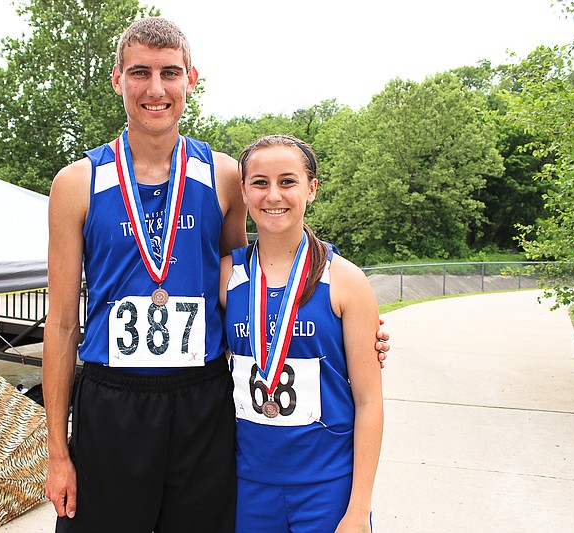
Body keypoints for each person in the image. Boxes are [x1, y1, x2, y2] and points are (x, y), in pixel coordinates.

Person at [43, 17, 388, 533]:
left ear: (191, 79)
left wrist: (356, 332)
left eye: (169, 73)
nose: (155, 89)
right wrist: (57, 452)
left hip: (201, 401)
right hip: (112, 402)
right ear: (117, 79)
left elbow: (247, 284)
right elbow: (63, 325)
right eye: (140, 73)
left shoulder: (224, 175)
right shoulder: (77, 183)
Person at [220, 135, 384, 532]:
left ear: (311, 189)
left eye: (287, 181)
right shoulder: (226, 276)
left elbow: (368, 401)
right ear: (243, 191)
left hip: (327, 487)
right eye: (259, 182)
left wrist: (358, 510)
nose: (273, 195)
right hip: (247, 486)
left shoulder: (345, 280)